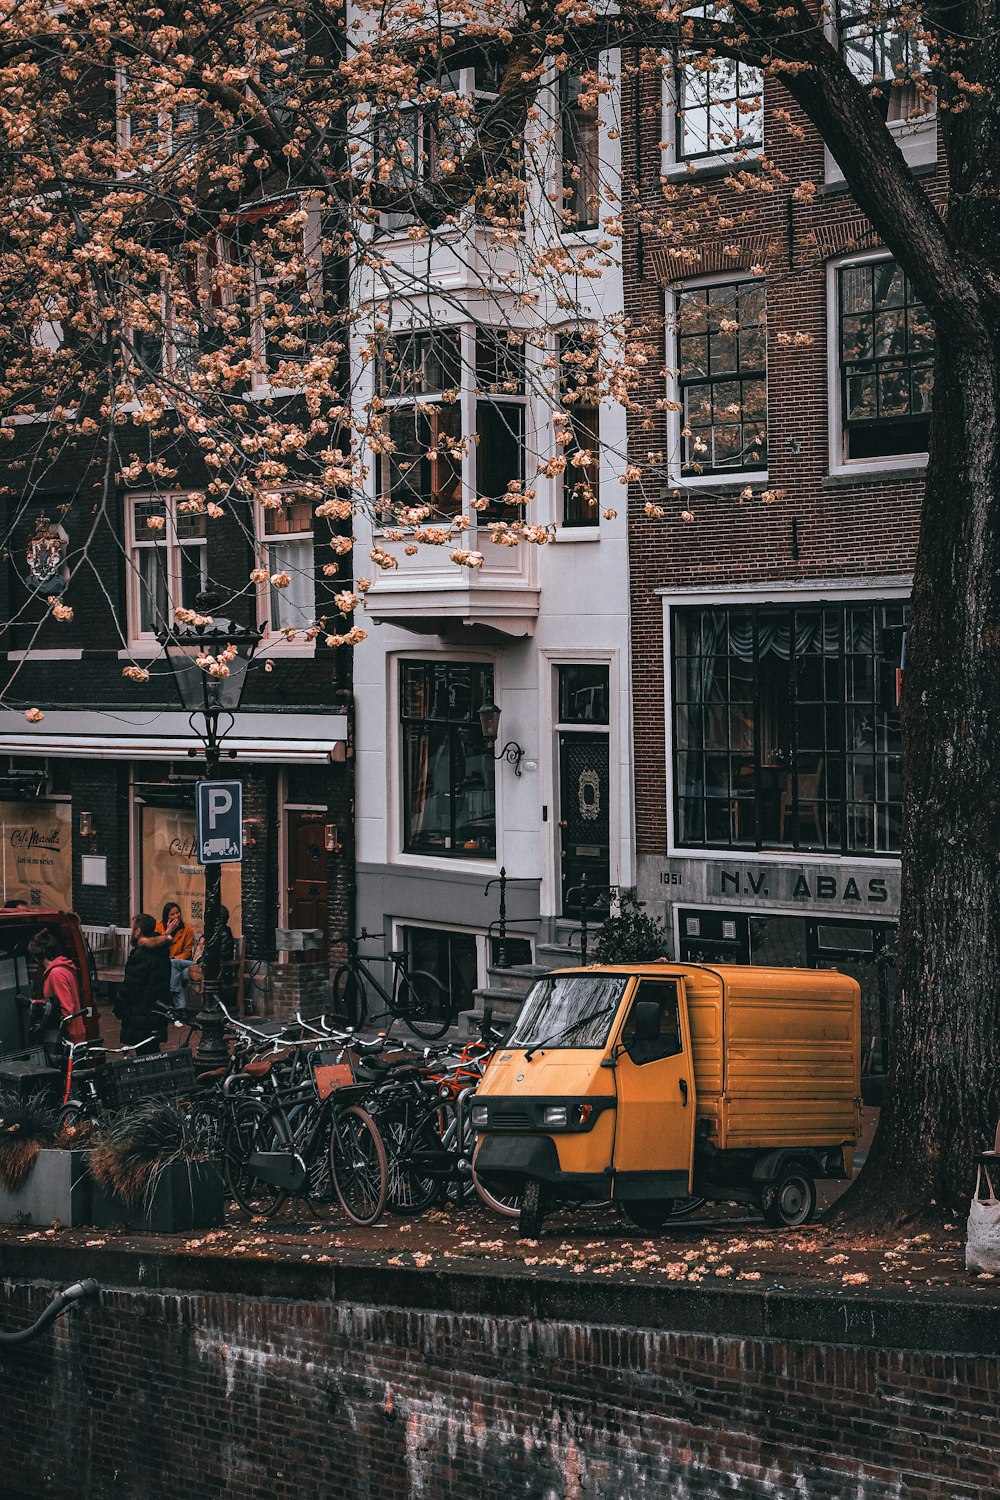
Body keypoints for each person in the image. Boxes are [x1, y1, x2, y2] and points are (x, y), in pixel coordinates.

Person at [113, 914, 170, 1053]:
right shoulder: (161, 952)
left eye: (132, 928)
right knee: (152, 1053)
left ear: (138, 931)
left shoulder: (141, 954)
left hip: (141, 1014)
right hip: (156, 1013)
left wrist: (119, 1008)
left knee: (143, 1055)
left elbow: (130, 986)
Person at [26, 930, 86, 1054]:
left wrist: (44, 1021)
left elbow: (66, 1010)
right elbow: (56, 1002)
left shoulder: (55, 974)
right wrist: (35, 1003)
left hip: (68, 1037)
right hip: (75, 1033)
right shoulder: (63, 969)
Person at [156, 901, 196, 1016]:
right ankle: (180, 1009)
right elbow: (157, 946)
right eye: (172, 914)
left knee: (174, 964)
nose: (176, 916)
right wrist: (167, 932)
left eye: (177, 913)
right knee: (179, 976)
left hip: (182, 963)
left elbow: (187, 952)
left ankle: (169, 1000)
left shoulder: (187, 930)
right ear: (166, 916)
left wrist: (172, 959)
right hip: (165, 965)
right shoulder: (159, 927)